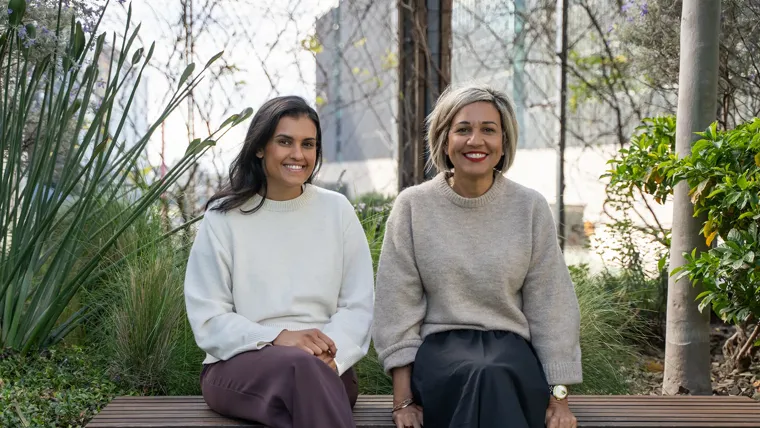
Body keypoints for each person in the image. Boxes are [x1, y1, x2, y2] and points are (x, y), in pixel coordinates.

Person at [372, 82, 582, 428]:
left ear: (503, 142)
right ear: (444, 139)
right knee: (482, 377)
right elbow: (397, 308)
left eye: (489, 130)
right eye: (463, 130)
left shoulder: (529, 207)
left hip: (512, 355)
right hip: (440, 355)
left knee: (493, 375)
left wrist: (559, 400)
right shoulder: (413, 207)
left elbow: (552, 307)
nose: (476, 141)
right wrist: (403, 402)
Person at [184, 95, 375, 428]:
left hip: (329, 367)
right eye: (285, 142)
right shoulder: (224, 218)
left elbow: (359, 305)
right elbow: (209, 317)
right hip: (239, 364)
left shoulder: (337, 211)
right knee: (299, 372)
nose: (298, 155)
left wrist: (333, 354)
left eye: (308, 144)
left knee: (305, 378)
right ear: (260, 147)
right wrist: (277, 337)